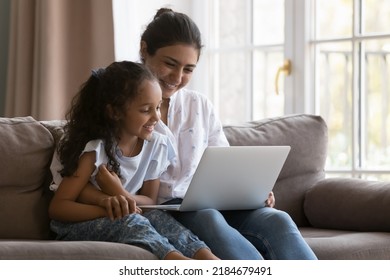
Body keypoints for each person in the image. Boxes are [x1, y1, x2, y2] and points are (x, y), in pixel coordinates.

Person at [84, 8, 317, 260]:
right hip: (166, 210)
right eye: (170, 64)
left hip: (213, 204)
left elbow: (225, 164)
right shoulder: (121, 109)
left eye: (188, 69)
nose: (177, 77)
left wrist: (252, 190)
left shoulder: (199, 105)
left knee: (278, 220)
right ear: (144, 50)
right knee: (209, 217)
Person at [48, 61, 219, 260]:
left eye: (158, 107)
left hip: (127, 213)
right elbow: (58, 208)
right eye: (146, 110)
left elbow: (150, 202)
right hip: (75, 226)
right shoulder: (95, 150)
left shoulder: (157, 145)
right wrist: (109, 208)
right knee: (131, 222)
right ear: (114, 112)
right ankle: (180, 264)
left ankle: (210, 261)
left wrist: (119, 194)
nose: (156, 117)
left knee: (158, 217)